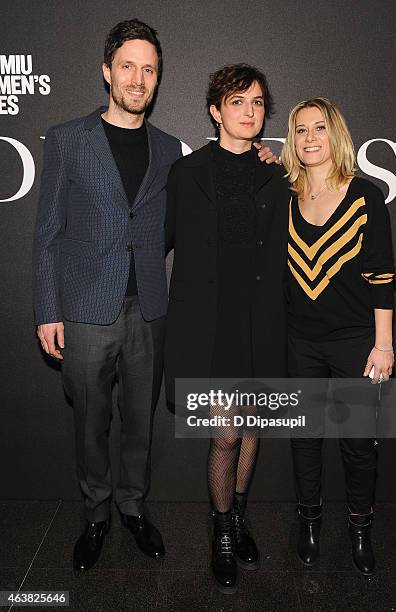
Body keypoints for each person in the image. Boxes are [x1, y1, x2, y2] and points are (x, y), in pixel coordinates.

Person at [32, 19, 276, 572]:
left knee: (139, 421)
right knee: (91, 422)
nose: (139, 78)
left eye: (149, 69)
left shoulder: (171, 151)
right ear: (106, 72)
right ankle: (95, 515)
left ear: (157, 78)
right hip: (87, 310)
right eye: (128, 66)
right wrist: (48, 309)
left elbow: (203, 209)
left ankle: (132, 508)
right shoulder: (69, 139)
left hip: (151, 307)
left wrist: (263, 157)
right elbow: (46, 233)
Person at [164, 64, 289, 593]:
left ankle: (239, 517)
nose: (249, 112)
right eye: (238, 102)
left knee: (254, 427)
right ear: (216, 111)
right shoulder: (186, 172)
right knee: (226, 432)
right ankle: (221, 531)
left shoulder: (276, 172)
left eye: (258, 103)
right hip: (207, 323)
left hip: (261, 318)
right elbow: (160, 241)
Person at [282, 97, 395, 575]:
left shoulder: (366, 196)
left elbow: (383, 277)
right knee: (305, 438)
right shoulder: (283, 195)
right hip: (298, 341)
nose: (310, 138)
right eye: (301, 130)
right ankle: (309, 524)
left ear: (337, 135)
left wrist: (383, 345)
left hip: (355, 342)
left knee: (357, 441)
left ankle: (360, 529)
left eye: (320, 128)